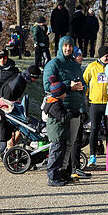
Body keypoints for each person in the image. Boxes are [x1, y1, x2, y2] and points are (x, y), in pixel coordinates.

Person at [43, 36, 89, 182]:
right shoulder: (54, 64)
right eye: (65, 46)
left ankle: (65, 173)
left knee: (70, 144)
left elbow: (83, 83)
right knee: (59, 144)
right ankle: (55, 174)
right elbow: (48, 86)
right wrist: (69, 86)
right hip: (60, 111)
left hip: (75, 110)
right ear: (61, 46)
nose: (68, 48)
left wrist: (82, 88)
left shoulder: (75, 65)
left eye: (70, 46)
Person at [83, 45, 108, 168]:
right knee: (94, 129)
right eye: (106, 56)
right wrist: (85, 97)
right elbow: (84, 82)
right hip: (95, 102)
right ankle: (92, 155)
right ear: (100, 56)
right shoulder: (92, 67)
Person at [43, 76, 71, 187]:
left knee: (58, 155)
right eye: (64, 92)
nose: (66, 94)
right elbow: (63, 118)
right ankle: (52, 178)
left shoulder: (54, 102)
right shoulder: (55, 105)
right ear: (60, 93)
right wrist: (71, 113)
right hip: (57, 134)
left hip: (59, 133)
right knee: (55, 155)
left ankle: (57, 176)